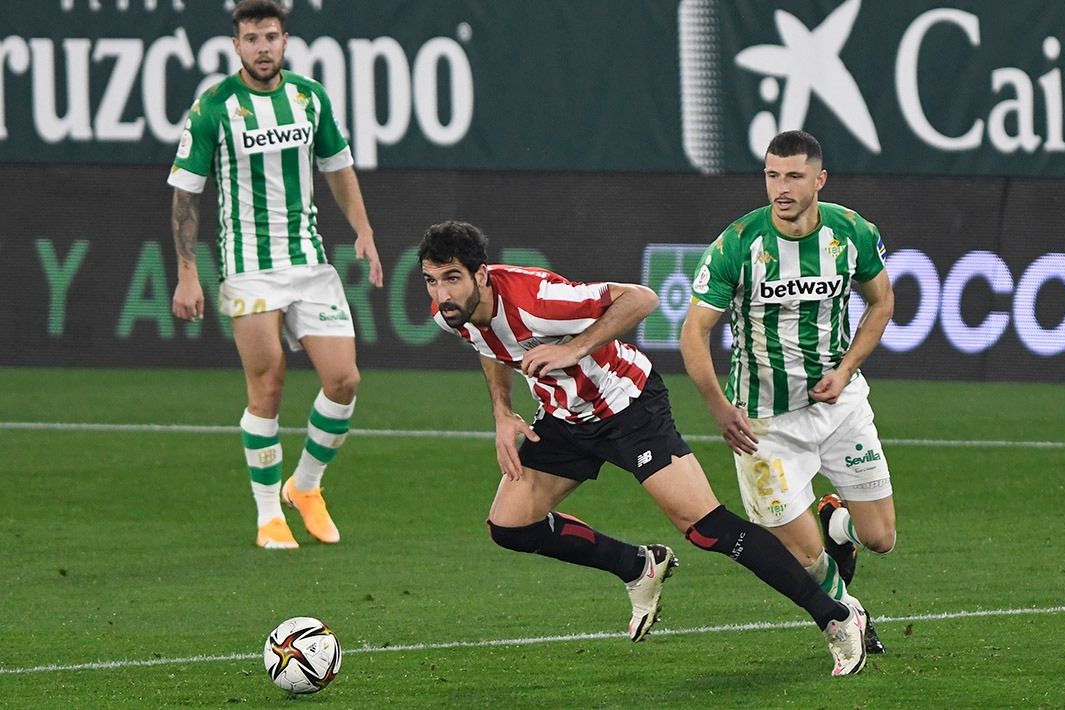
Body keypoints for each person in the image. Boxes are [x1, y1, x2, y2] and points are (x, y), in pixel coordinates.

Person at [419, 220, 867, 676]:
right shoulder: (453, 311)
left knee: (704, 526)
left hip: (626, 403)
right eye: (432, 281)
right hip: (566, 417)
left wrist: (575, 348)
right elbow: (488, 343)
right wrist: (500, 411)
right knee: (510, 525)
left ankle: (835, 615)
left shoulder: (537, 299)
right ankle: (638, 565)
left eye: (452, 279)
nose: (442, 294)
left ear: (481, 276)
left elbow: (642, 298)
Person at [168, 0, 383, 549]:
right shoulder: (212, 108)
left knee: (345, 380)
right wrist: (188, 274)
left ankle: (305, 487)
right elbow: (185, 196)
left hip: (309, 263)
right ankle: (268, 515)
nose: (262, 47)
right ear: (235, 46)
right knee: (268, 384)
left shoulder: (310, 98)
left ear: (285, 41)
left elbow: (339, 169)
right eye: (251, 38)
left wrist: (364, 232)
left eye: (271, 36)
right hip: (248, 267)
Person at [680, 130, 895, 654]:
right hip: (764, 424)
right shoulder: (737, 245)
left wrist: (845, 372)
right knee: (803, 554)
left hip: (840, 408)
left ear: (818, 179)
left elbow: (882, 302)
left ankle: (836, 520)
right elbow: (693, 332)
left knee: (881, 538)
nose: (781, 187)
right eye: (773, 175)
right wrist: (717, 404)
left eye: (794, 176)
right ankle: (848, 616)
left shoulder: (851, 234)